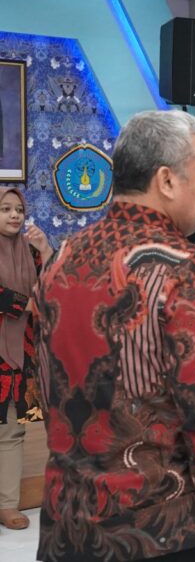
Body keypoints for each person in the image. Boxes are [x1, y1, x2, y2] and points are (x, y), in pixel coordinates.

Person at [32, 111, 195, 562]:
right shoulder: (183, 266)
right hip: (163, 526)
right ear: (167, 180)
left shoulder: (63, 256)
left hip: (67, 521)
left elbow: (45, 378)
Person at [0, 188, 51, 532]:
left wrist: (46, 249)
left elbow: (56, 284)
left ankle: (7, 504)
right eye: (5, 209)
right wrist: (25, 304)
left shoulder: (31, 251)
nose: (14, 215)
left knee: (11, 430)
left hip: (19, 356)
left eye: (19, 209)